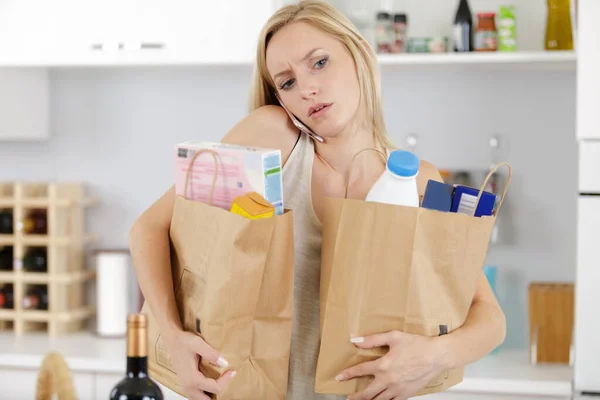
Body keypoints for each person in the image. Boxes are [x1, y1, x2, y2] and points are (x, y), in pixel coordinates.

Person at [128, 1, 507, 399]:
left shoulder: (415, 182)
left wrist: (433, 355)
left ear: (358, 51)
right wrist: (171, 336)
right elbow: (148, 227)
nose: (307, 87)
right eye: (287, 82)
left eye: (320, 62)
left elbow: (490, 319)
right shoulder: (272, 142)